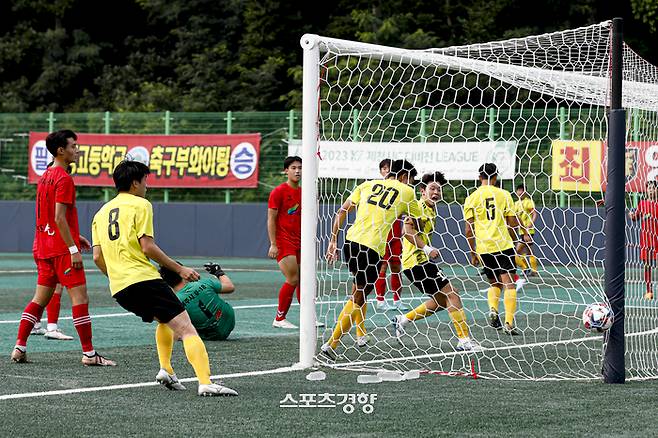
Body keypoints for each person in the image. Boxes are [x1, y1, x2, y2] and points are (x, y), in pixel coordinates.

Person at [91, 160, 237, 396]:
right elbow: (147, 247)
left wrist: (116, 276)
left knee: (164, 321)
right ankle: (205, 382)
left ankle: (166, 370)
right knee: (187, 329)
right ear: (135, 182)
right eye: (145, 180)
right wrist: (179, 270)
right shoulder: (141, 205)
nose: (147, 186)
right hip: (144, 280)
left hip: (119, 288)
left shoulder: (100, 213)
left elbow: (97, 257)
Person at [11, 129, 114, 365]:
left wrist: (74, 236)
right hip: (60, 251)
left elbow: (51, 217)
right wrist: (73, 249)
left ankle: (19, 347)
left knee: (39, 299)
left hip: (43, 247)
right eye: (73, 146)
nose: (77, 150)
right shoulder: (64, 178)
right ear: (61, 150)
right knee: (80, 299)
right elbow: (58, 217)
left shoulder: (46, 175)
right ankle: (89, 354)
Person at [321, 159, 422, 359]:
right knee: (359, 296)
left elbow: (342, 211)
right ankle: (331, 344)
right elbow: (417, 218)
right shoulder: (406, 191)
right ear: (404, 177)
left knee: (358, 290)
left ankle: (360, 334)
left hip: (350, 242)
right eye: (411, 179)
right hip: (372, 247)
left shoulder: (366, 185)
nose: (411, 184)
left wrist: (333, 240)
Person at [392, 172, 481, 351]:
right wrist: (427, 249)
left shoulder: (432, 209)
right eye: (432, 188)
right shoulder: (417, 206)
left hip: (419, 263)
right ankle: (464, 341)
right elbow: (407, 231)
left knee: (443, 300)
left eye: (439, 190)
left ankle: (403, 319)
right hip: (417, 262)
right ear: (422, 191)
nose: (436, 193)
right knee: (452, 295)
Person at [464, 163, 521, 335]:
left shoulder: (471, 197)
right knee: (509, 284)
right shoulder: (504, 194)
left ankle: (493, 309)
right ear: (495, 177)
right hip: (502, 245)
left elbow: (468, 229)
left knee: (494, 282)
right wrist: (514, 238)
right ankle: (509, 323)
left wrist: (472, 251)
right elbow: (512, 222)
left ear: (479, 177)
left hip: (483, 247)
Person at [160, 262, 236, 341]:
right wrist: (218, 272)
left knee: (173, 324)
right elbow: (230, 287)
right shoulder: (203, 282)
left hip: (210, 335)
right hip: (229, 321)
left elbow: (175, 334)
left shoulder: (175, 302)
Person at [267, 156, 302, 329]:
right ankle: (279, 318)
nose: (297, 171)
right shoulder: (278, 191)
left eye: (300, 168)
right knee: (293, 278)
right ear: (286, 171)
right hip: (284, 241)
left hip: (300, 242)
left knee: (304, 280)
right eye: (293, 168)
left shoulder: (304, 192)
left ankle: (307, 317)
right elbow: (271, 219)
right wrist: (273, 243)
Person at [374, 159, 407, 310]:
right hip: (382, 234)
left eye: (390, 168)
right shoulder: (377, 188)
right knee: (382, 267)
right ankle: (380, 300)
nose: (387, 170)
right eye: (385, 168)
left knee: (396, 266)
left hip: (396, 233)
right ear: (381, 171)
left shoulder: (400, 189)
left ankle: (397, 299)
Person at [629, 180, 658, 300]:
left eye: (653, 188)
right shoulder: (642, 203)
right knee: (647, 265)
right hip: (646, 240)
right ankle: (649, 291)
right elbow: (636, 217)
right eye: (649, 188)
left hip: (656, 239)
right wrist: (632, 216)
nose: (651, 190)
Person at [514, 184, 539, 276]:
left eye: (522, 190)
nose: (520, 192)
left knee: (518, 251)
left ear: (525, 192)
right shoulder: (516, 204)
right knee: (527, 251)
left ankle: (527, 269)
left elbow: (534, 214)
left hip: (528, 231)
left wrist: (530, 224)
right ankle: (532, 270)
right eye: (518, 190)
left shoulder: (528, 202)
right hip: (521, 231)